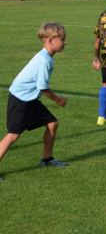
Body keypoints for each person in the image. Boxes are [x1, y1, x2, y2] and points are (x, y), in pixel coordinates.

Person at [0, 23, 69, 180]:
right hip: (21, 99)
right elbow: (43, 88)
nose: (65, 42)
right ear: (51, 40)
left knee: (52, 124)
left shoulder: (46, 57)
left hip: (29, 99)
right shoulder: (45, 60)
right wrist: (57, 100)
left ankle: (47, 159)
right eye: (62, 39)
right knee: (13, 135)